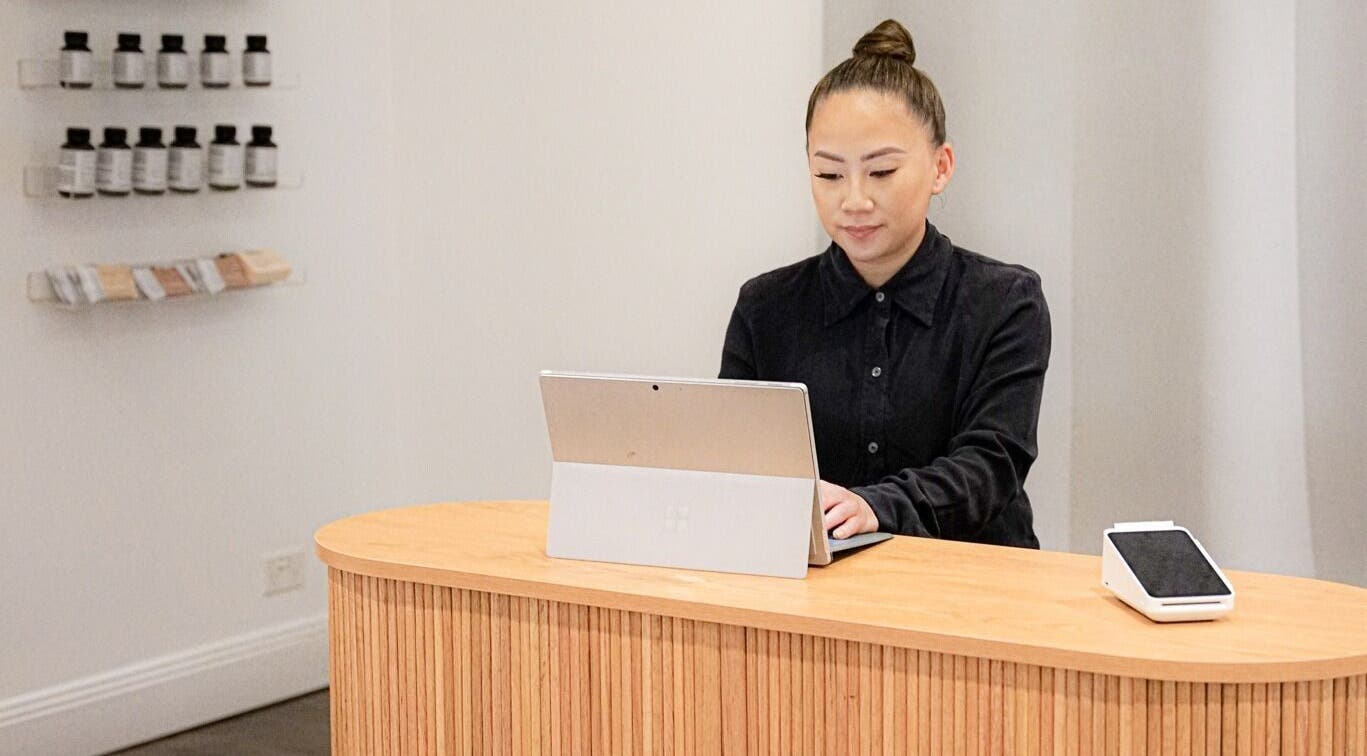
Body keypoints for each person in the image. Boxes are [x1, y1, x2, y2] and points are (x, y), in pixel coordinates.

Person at [719, 19, 1050, 548]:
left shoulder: (1004, 302)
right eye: (828, 175)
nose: (853, 199)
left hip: (972, 587)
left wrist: (877, 506)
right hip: (816, 592)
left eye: (881, 172)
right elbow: (735, 462)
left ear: (940, 167)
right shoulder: (766, 308)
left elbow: (992, 463)